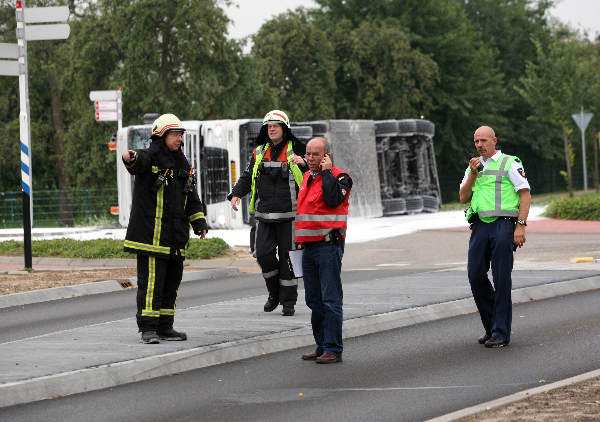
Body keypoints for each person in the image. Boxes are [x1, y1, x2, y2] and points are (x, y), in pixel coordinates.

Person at [122, 113, 208, 344]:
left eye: (181, 135)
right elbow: (136, 162)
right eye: (175, 134)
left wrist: (199, 222)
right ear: (161, 135)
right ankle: (148, 329)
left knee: (171, 286)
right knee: (151, 286)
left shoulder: (182, 163)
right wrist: (129, 158)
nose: (179, 139)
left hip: (174, 238)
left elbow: (191, 196)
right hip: (151, 238)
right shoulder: (150, 157)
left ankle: (165, 327)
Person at [227, 110, 307, 316]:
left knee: (289, 261)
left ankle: (288, 302)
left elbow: (315, 174)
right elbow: (246, 177)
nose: (271, 128)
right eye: (268, 126)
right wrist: (236, 194)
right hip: (264, 217)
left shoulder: (298, 149)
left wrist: (305, 165)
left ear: (285, 129)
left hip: (290, 217)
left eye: (276, 125)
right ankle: (274, 293)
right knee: (263, 255)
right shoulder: (259, 152)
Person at [459, 126, 531, 348]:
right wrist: (472, 173)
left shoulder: (510, 163)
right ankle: (491, 326)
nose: (479, 145)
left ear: (494, 141)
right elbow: (463, 197)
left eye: (483, 140)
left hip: (504, 226)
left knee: (501, 280)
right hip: (480, 227)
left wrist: (520, 226)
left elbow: (525, 193)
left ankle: (501, 333)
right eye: (476, 141)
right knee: (475, 275)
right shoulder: (474, 167)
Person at [296, 137, 352, 364]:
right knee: (313, 300)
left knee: (330, 299)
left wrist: (327, 173)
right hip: (308, 248)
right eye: (308, 154)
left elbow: (331, 200)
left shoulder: (341, 177)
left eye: (315, 155)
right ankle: (321, 345)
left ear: (327, 156)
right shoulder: (307, 177)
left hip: (328, 246)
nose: (310, 159)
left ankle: (333, 348)